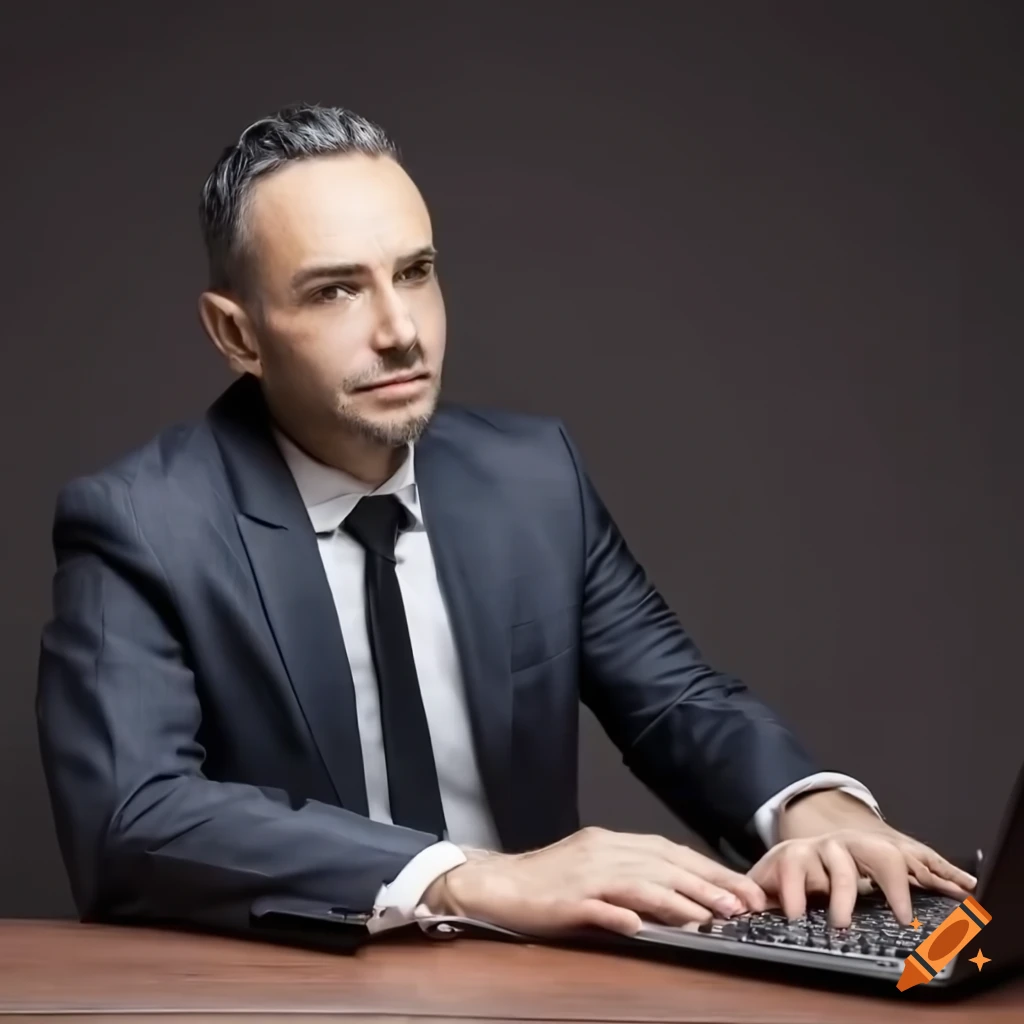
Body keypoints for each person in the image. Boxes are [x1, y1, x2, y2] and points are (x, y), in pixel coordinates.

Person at [36, 103, 975, 944]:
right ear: (237, 334)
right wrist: (470, 879)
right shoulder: (140, 521)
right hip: (300, 992)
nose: (400, 329)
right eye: (335, 291)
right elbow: (135, 814)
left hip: (538, 994)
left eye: (416, 272)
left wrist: (808, 808)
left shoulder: (530, 480)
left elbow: (676, 699)